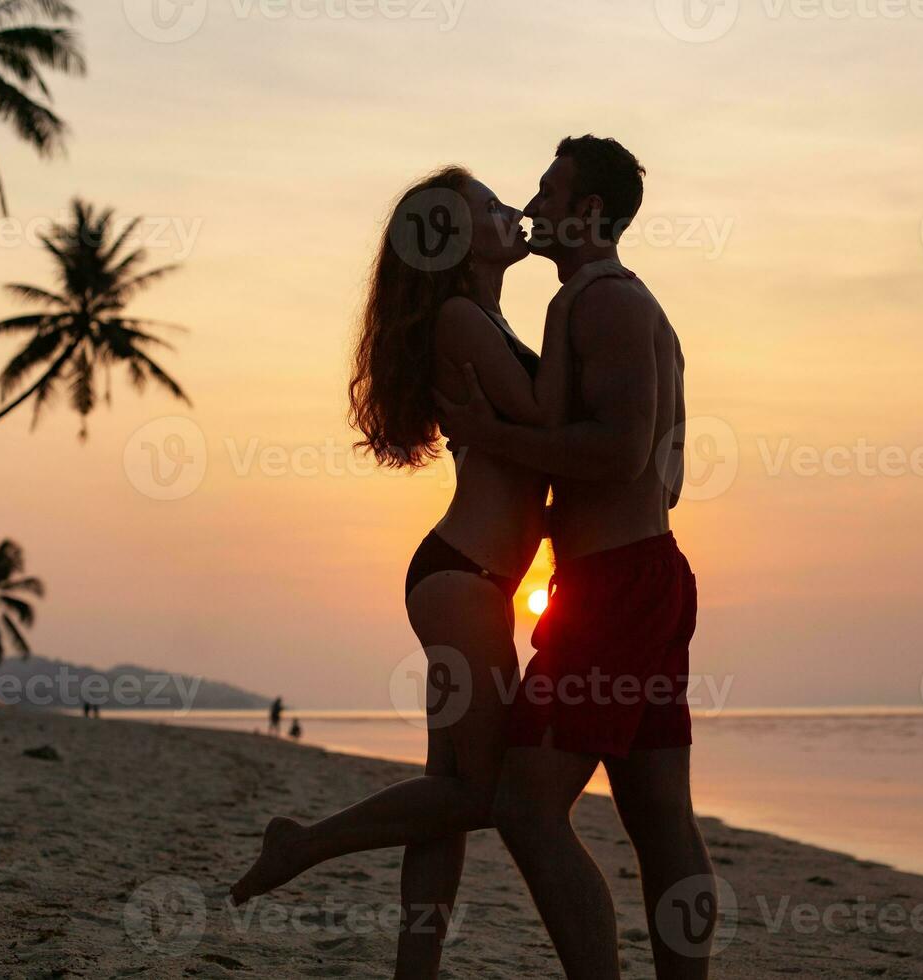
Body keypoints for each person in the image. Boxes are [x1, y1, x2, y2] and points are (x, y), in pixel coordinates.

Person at [228, 164, 628, 979]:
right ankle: (304, 843)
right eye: (487, 205)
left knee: (447, 795)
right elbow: (550, 418)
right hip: (464, 584)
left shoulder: (479, 314)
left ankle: (415, 969)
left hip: (466, 579)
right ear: (455, 238)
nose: (509, 208)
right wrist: (587, 317)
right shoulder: (459, 316)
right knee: (483, 795)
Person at [434, 135, 716, 979]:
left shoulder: (602, 304)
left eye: (550, 192)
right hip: (639, 575)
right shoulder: (614, 307)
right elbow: (657, 476)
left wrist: (487, 433)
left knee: (525, 806)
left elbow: (624, 455)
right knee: (659, 814)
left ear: (590, 213)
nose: (533, 205)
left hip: (617, 592)